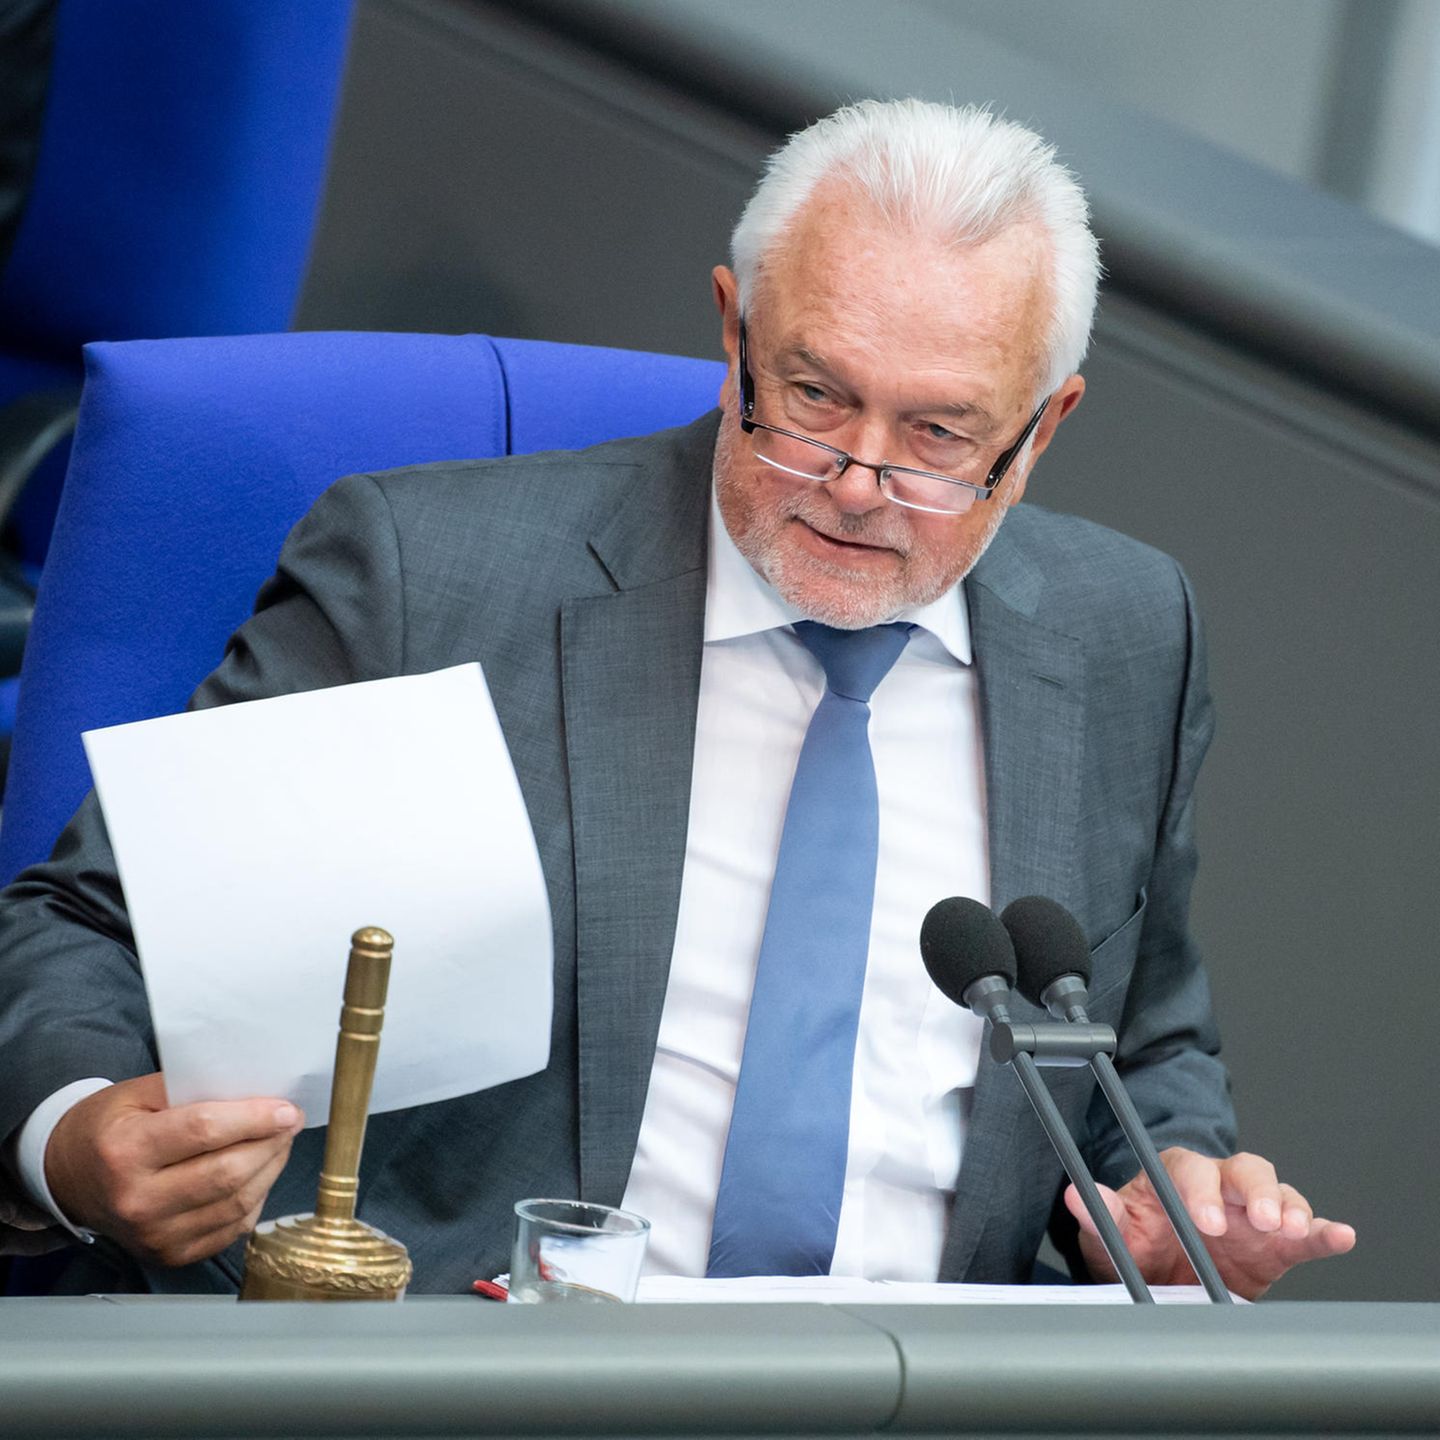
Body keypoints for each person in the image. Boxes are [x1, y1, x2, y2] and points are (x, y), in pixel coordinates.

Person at [0, 99, 1354, 1296]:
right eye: (815, 396)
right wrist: (75, 1135)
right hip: (483, 1379)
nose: (860, 481)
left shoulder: (1125, 635)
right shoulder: (437, 579)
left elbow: (1136, 1041)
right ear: (732, 331)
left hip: (929, 1390)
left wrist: (1177, 1190)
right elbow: (85, 927)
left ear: (1044, 426)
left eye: (941, 434)